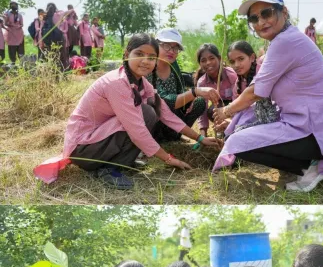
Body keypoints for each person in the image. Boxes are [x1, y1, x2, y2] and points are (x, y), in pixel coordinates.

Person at [33, 34, 221, 189]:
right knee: (145, 114)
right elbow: (136, 130)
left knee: (150, 111)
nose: (145, 61)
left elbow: (165, 113)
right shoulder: (116, 83)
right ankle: (107, 168)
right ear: (126, 54)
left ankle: (120, 162)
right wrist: (169, 159)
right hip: (83, 149)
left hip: (99, 139)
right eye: (139, 54)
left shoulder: (141, 82)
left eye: (151, 57)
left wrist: (200, 139)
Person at [213, 0, 323, 192]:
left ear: (283, 12)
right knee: (241, 133)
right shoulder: (283, 40)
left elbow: (256, 92)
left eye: (266, 13)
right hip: (315, 127)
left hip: (316, 131)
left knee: (237, 141)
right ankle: (309, 164)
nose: (260, 22)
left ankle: (312, 167)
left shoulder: (286, 41)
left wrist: (226, 110)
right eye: (253, 18)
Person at [148, 28, 220, 142]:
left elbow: (179, 89)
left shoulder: (172, 63)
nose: (172, 51)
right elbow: (164, 101)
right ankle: (157, 138)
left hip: (174, 117)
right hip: (156, 119)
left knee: (199, 102)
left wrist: (189, 100)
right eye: (166, 45)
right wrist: (194, 92)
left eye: (176, 48)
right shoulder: (148, 68)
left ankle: (175, 135)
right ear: (156, 45)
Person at [226, 41, 279, 134]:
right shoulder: (238, 83)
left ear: (252, 58)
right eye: (232, 62)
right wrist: (231, 122)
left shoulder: (263, 72)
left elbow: (253, 98)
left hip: (273, 116)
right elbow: (237, 109)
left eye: (241, 59)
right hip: (254, 117)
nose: (236, 65)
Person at [195, 44, 238, 137]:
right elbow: (202, 110)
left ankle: (233, 127)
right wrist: (203, 135)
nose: (208, 63)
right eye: (203, 60)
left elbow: (237, 101)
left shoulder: (231, 75)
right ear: (200, 64)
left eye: (211, 58)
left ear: (219, 58)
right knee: (212, 110)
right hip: (219, 108)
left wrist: (231, 119)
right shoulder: (202, 83)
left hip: (234, 108)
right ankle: (222, 128)